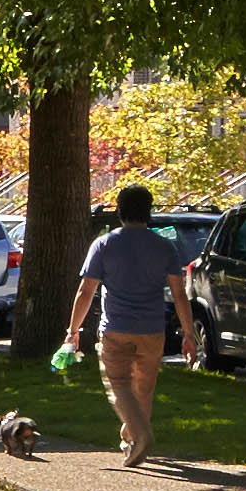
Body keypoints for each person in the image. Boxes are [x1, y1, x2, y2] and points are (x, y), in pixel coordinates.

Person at [66, 180, 202, 470]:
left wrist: (73, 330)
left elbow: (85, 291)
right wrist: (189, 334)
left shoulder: (104, 244)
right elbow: (179, 294)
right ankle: (132, 442)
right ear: (148, 211)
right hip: (152, 329)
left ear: (120, 211)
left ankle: (141, 435)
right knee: (143, 389)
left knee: (119, 385)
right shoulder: (164, 246)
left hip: (116, 328)